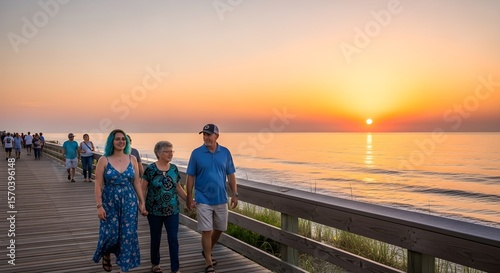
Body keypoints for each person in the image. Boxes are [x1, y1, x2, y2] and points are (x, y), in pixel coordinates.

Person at [186, 124, 238, 273]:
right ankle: (208, 262)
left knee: (220, 228)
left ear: (217, 136)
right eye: (204, 134)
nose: (206, 137)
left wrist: (234, 194)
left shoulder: (225, 152)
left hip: (221, 198)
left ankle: (207, 251)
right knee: (206, 230)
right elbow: (190, 176)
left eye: (209, 134)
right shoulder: (196, 153)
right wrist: (189, 197)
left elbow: (231, 175)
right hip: (203, 198)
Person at [92, 129, 146, 273]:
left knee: (128, 234)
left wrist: (142, 202)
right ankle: (106, 254)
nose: (121, 141)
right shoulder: (104, 160)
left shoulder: (132, 159)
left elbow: (136, 182)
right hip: (109, 200)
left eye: (123, 139)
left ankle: (124, 266)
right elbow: (98, 184)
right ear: (111, 141)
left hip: (129, 200)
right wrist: (99, 206)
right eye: (117, 139)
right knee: (111, 233)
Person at [142, 141, 190, 273]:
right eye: (167, 151)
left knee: (173, 239)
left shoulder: (174, 168)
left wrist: (188, 200)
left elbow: (178, 187)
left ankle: (175, 268)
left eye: (172, 151)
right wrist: (142, 205)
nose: (171, 154)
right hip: (154, 211)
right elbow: (143, 188)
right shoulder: (151, 169)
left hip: (172, 210)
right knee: (155, 237)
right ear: (158, 153)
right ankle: (155, 263)